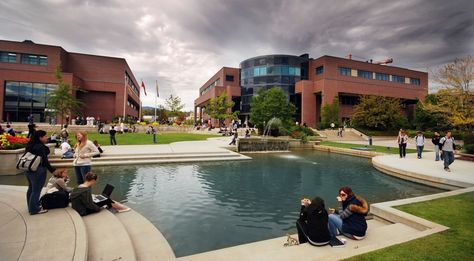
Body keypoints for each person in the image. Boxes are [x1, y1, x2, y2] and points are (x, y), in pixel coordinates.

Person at [24, 130, 58, 215]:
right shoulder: (39, 147)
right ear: (40, 137)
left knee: (31, 188)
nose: (47, 137)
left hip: (29, 170)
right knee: (36, 190)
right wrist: (53, 170)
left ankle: (31, 206)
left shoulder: (30, 145)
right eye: (45, 136)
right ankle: (34, 209)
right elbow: (45, 161)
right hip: (38, 170)